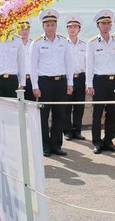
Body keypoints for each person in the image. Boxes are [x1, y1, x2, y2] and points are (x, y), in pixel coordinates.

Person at [29, 9, 73, 157]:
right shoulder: (37, 43)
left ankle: (56, 145)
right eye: (47, 25)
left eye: (53, 24)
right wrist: (35, 86)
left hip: (60, 82)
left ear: (56, 25)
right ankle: (45, 146)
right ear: (43, 26)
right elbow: (32, 66)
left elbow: (69, 63)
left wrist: (70, 82)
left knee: (59, 115)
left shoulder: (64, 42)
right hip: (44, 83)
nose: (50, 27)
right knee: (43, 115)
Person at [86, 10, 115, 154]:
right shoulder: (92, 43)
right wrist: (89, 84)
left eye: (108, 23)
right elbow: (89, 64)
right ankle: (96, 141)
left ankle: (109, 140)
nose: (106, 26)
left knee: (112, 113)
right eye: (103, 23)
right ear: (98, 25)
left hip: (114, 80)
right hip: (99, 81)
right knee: (97, 113)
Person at [64, 14, 87, 141]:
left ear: (79, 29)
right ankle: (67, 130)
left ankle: (77, 130)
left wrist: (87, 82)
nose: (72, 29)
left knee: (79, 106)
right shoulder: (62, 44)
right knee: (67, 106)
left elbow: (88, 63)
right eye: (70, 27)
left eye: (75, 27)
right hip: (68, 78)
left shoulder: (84, 45)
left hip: (81, 78)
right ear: (67, 29)